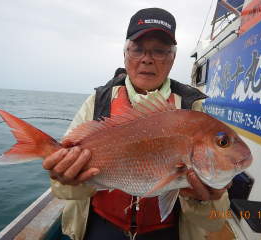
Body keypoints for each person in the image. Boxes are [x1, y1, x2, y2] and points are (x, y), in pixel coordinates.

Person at [43, 8, 231, 240]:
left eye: (160, 51)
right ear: (125, 56)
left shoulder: (191, 111)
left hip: (165, 232)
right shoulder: (98, 103)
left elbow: (215, 220)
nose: (147, 58)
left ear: (172, 60)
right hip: (101, 227)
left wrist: (203, 199)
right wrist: (64, 177)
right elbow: (61, 188)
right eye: (138, 49)